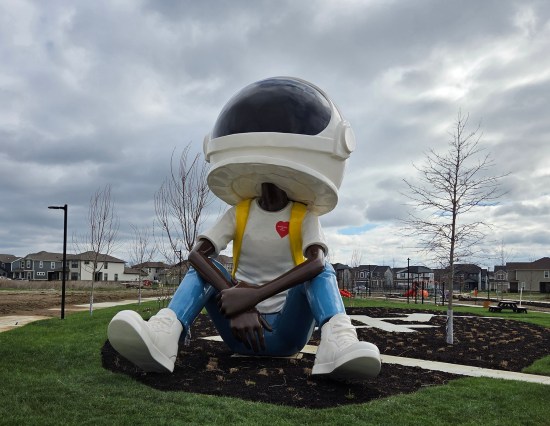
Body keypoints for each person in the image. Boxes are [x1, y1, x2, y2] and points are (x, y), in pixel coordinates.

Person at [107, 77, 381, 380]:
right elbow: (197, 256)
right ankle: (164, 334)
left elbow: (315, 263)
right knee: (204, 270)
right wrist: (235, 299)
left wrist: (253, 296)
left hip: (285, 333)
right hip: (236, 329)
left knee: (321, 269)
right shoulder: (239, 212)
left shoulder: (304, 215)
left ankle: (338, 342)